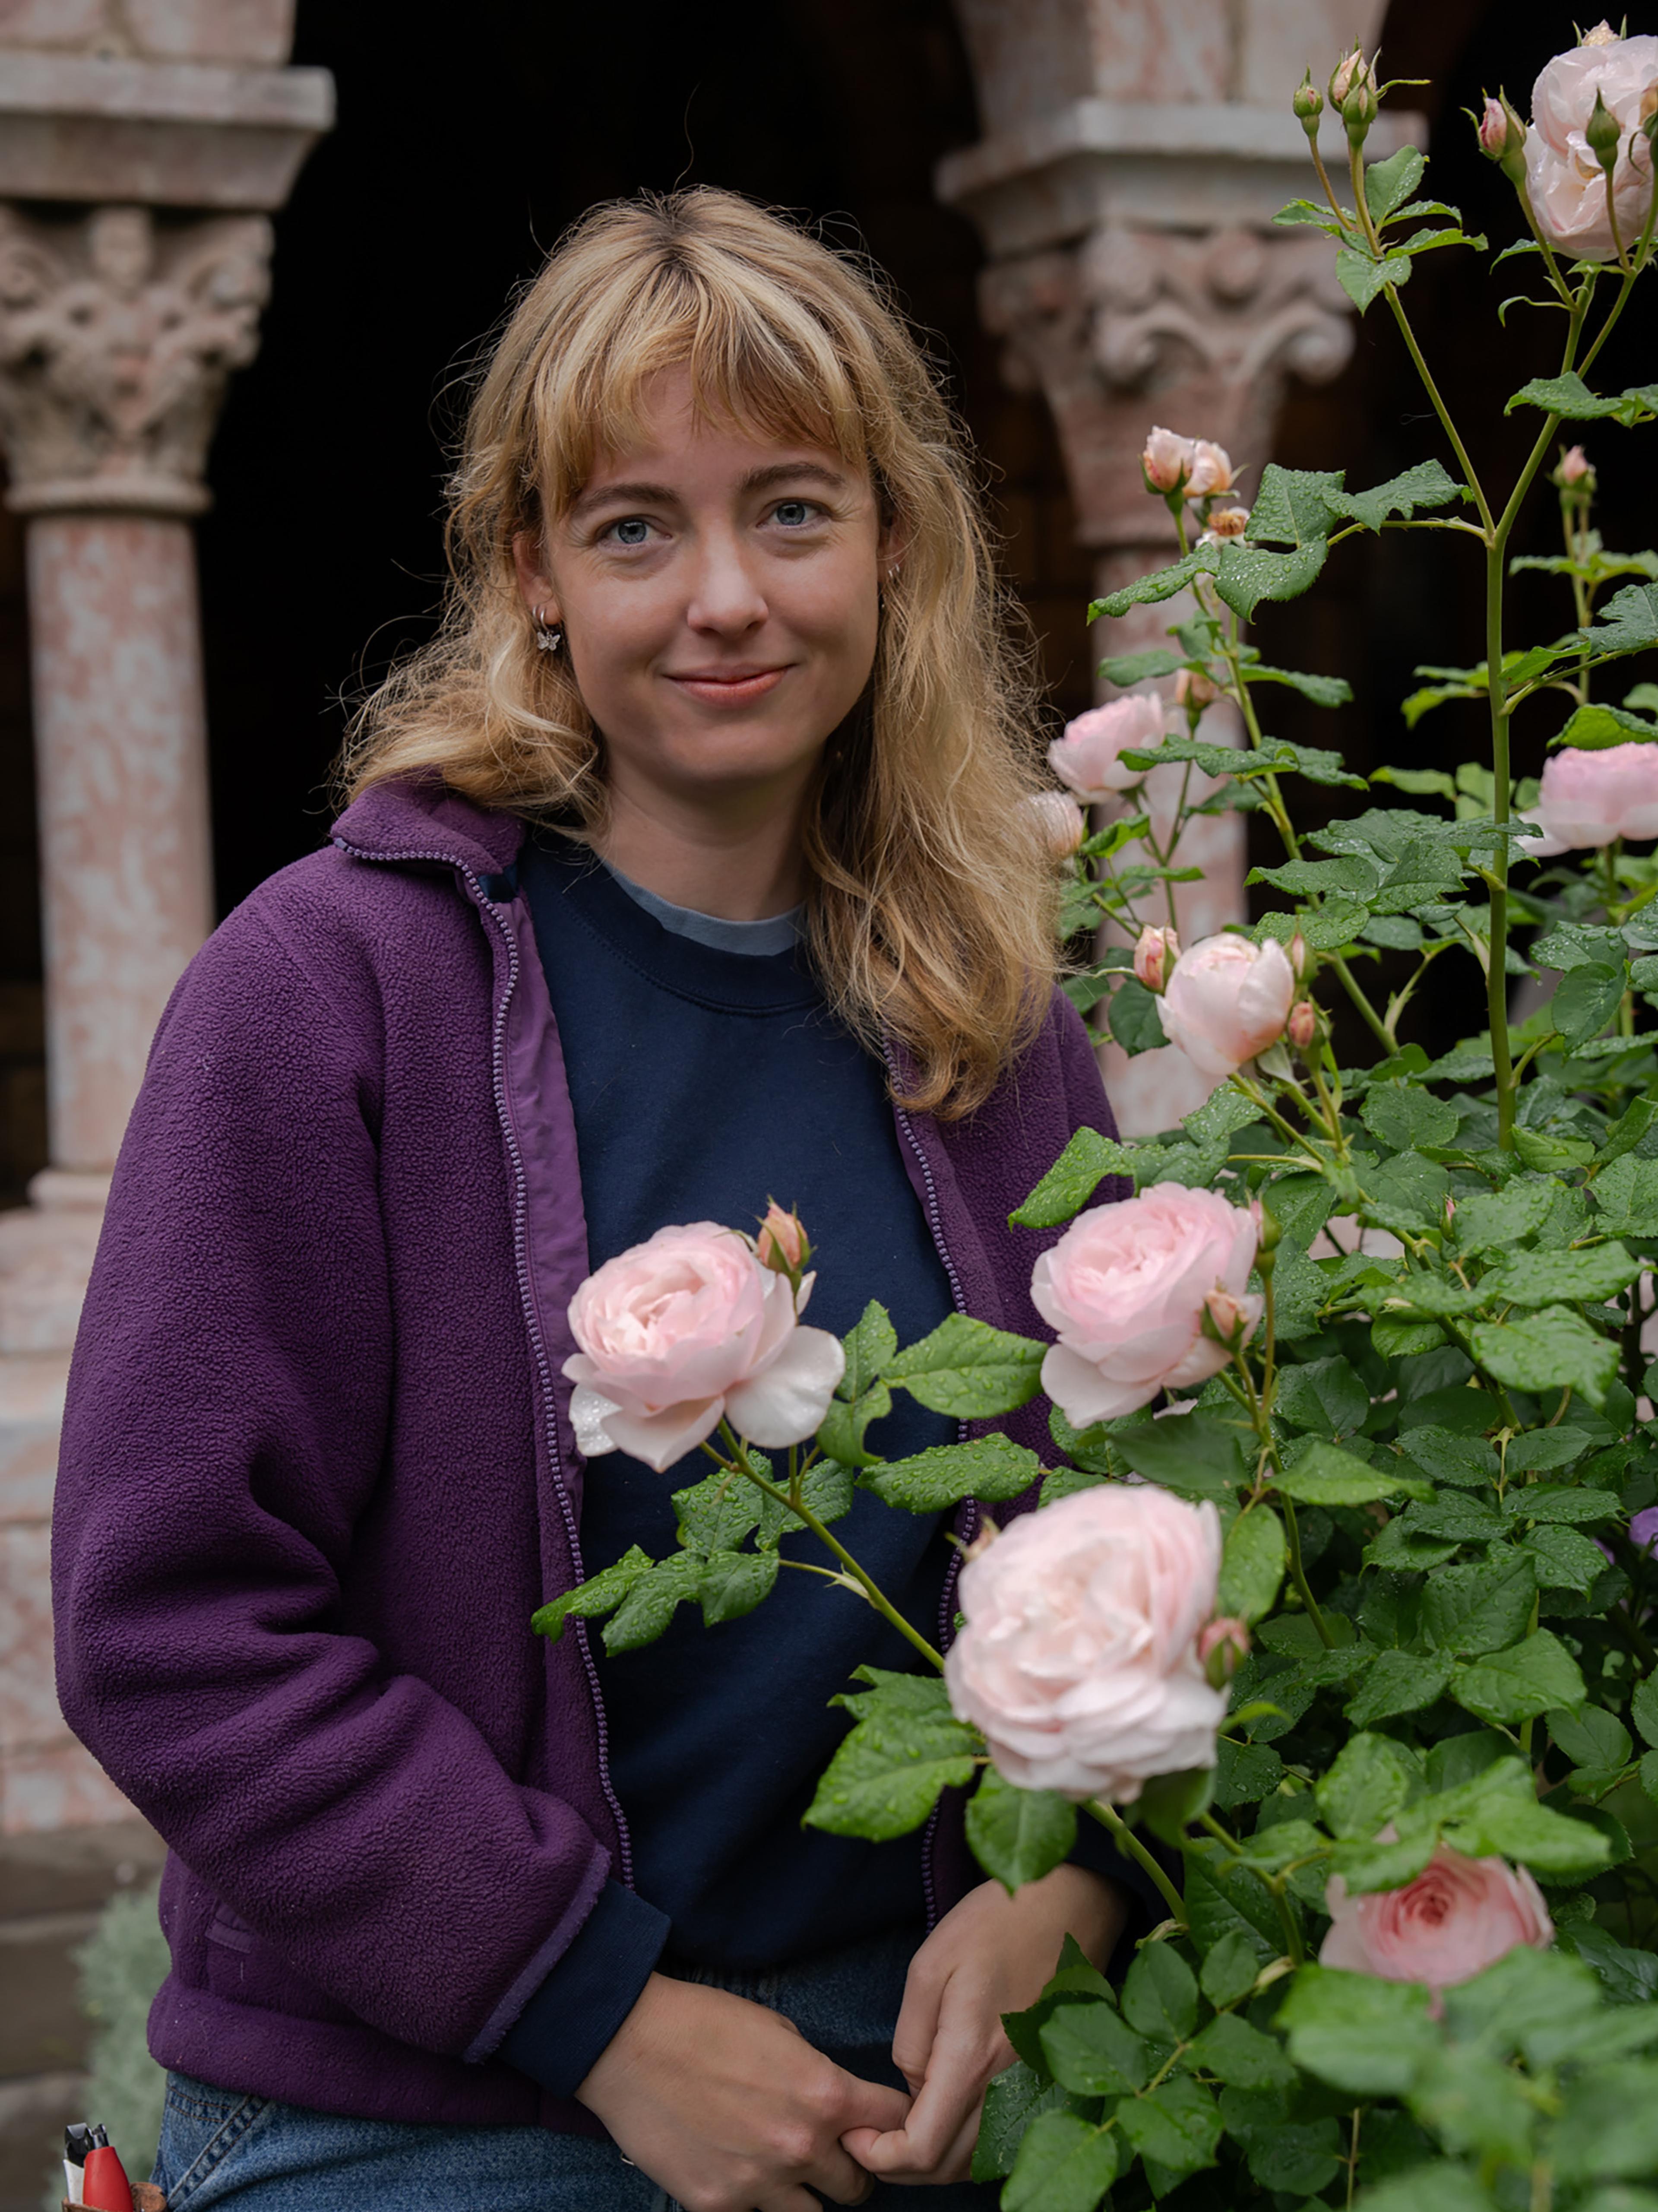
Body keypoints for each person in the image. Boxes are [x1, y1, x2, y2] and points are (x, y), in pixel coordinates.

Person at [51, 190, 1145, 2212]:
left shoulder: (987, 1005)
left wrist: (1070, 1878)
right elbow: (174, 1627)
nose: (724, 595)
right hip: (436, 2102)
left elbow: (1145, 1514)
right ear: (533, 569)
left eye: (795, 511)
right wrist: (599, 2013)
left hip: (935, 2064)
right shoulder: (324, 1000)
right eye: (637, 526)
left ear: (893, 544)